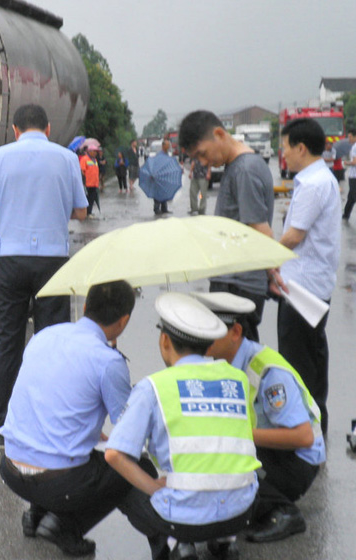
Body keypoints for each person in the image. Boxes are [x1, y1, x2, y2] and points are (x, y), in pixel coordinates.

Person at [105, 292, 259, 560]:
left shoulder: (152, 387)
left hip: (184, 519)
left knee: (124, 480)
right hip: (242, 512)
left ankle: (174, 545)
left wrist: (156, 487)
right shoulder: (237, 379)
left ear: (164, 340)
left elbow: (115, 454)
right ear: (209, 345)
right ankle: (224, 541)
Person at [0, 281, 146, 557]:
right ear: (124, 320)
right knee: (138, 467)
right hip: (59, 482)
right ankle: (65, 525)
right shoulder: (108, 361)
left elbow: (50, 401)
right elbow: (129, 427)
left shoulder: (45, 335)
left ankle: (35, 515)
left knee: (58, 444)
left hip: (10, 468)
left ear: (86, 307)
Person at [0, 104, 87, 444]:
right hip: (53, 260)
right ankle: (50, 422)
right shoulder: (66, 159)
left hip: (10, 259)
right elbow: (81, 211)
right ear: (49, 129)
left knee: (8, 342)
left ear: (15, 129)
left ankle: (0, 426)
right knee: (53, 343)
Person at [195, 291, 325, 544]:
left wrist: (237, 435)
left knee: (226, 462)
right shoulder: (220, 362)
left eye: (213, 329)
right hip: (265, 450)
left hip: (296, 462)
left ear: (235, 332)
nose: (203, 335)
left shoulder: (267, 372)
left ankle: (285, 512)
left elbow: (303, 436)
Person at [268, 118, 341, 436]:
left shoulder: (312, 184)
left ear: (301, 147)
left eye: (284, 147)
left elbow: (294, 236)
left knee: (297, 360)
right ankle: (315, 424)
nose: (282, 154)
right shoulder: (321, 179)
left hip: (301, 287)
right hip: (314, 283)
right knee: (313, 355)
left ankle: (303, 431)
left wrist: (265, 255)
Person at [179, 110, 274, 342]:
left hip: (238, 286)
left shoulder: (245, 170)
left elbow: (260, 229)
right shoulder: (239, 166)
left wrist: (273, 272)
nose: (202, 162)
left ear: (219, 134)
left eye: (202, 154)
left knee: (235, 364)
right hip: (236, 283)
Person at [79, 145, 102, 219]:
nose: (95, 153)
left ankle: (89, 212)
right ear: (89, 151)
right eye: (94, 151)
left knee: (92, 199)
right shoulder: (84, 159)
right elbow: (82, 170)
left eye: (96, 152)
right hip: (87, 184)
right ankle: (84, 213)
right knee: (86, 199)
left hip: (94, 183)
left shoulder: (94, 160)